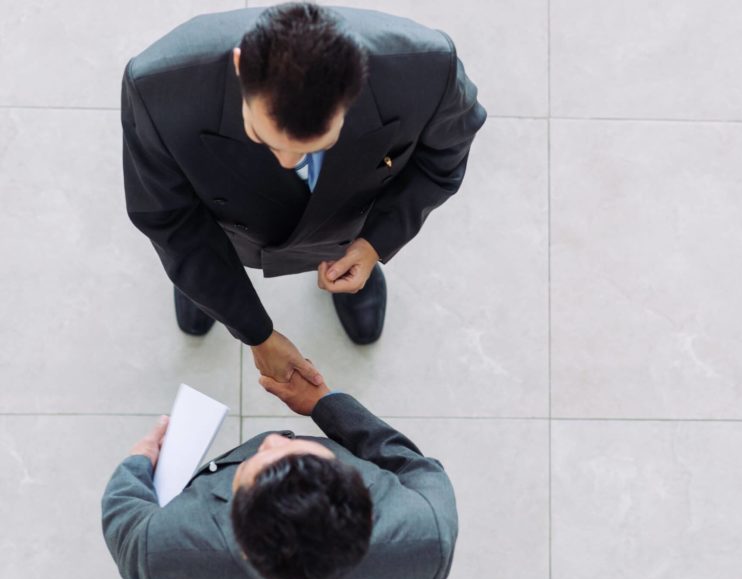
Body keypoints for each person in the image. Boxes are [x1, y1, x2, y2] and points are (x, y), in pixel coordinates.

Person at [122, 3, 486, 386]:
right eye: (265, 137)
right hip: (225, 225)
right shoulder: (156, 88)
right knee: (201, 267)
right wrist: (252, 328)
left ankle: (347, 270)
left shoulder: (429, 69)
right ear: (240, 65)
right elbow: (170, 217)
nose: (287, 161)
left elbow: (441, 162)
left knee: (337, 234)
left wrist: (374, 243)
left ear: (355, 91)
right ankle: (211, 289)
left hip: (348, 217)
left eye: (313, 146)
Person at [101, 374, 456, 579]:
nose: (273, 439)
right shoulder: (430, 534)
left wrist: (139, 459)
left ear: (237, 535)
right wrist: (325, 405)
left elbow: (123, 505)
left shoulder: (155, 555)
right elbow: (411, 465)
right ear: (366, 495)